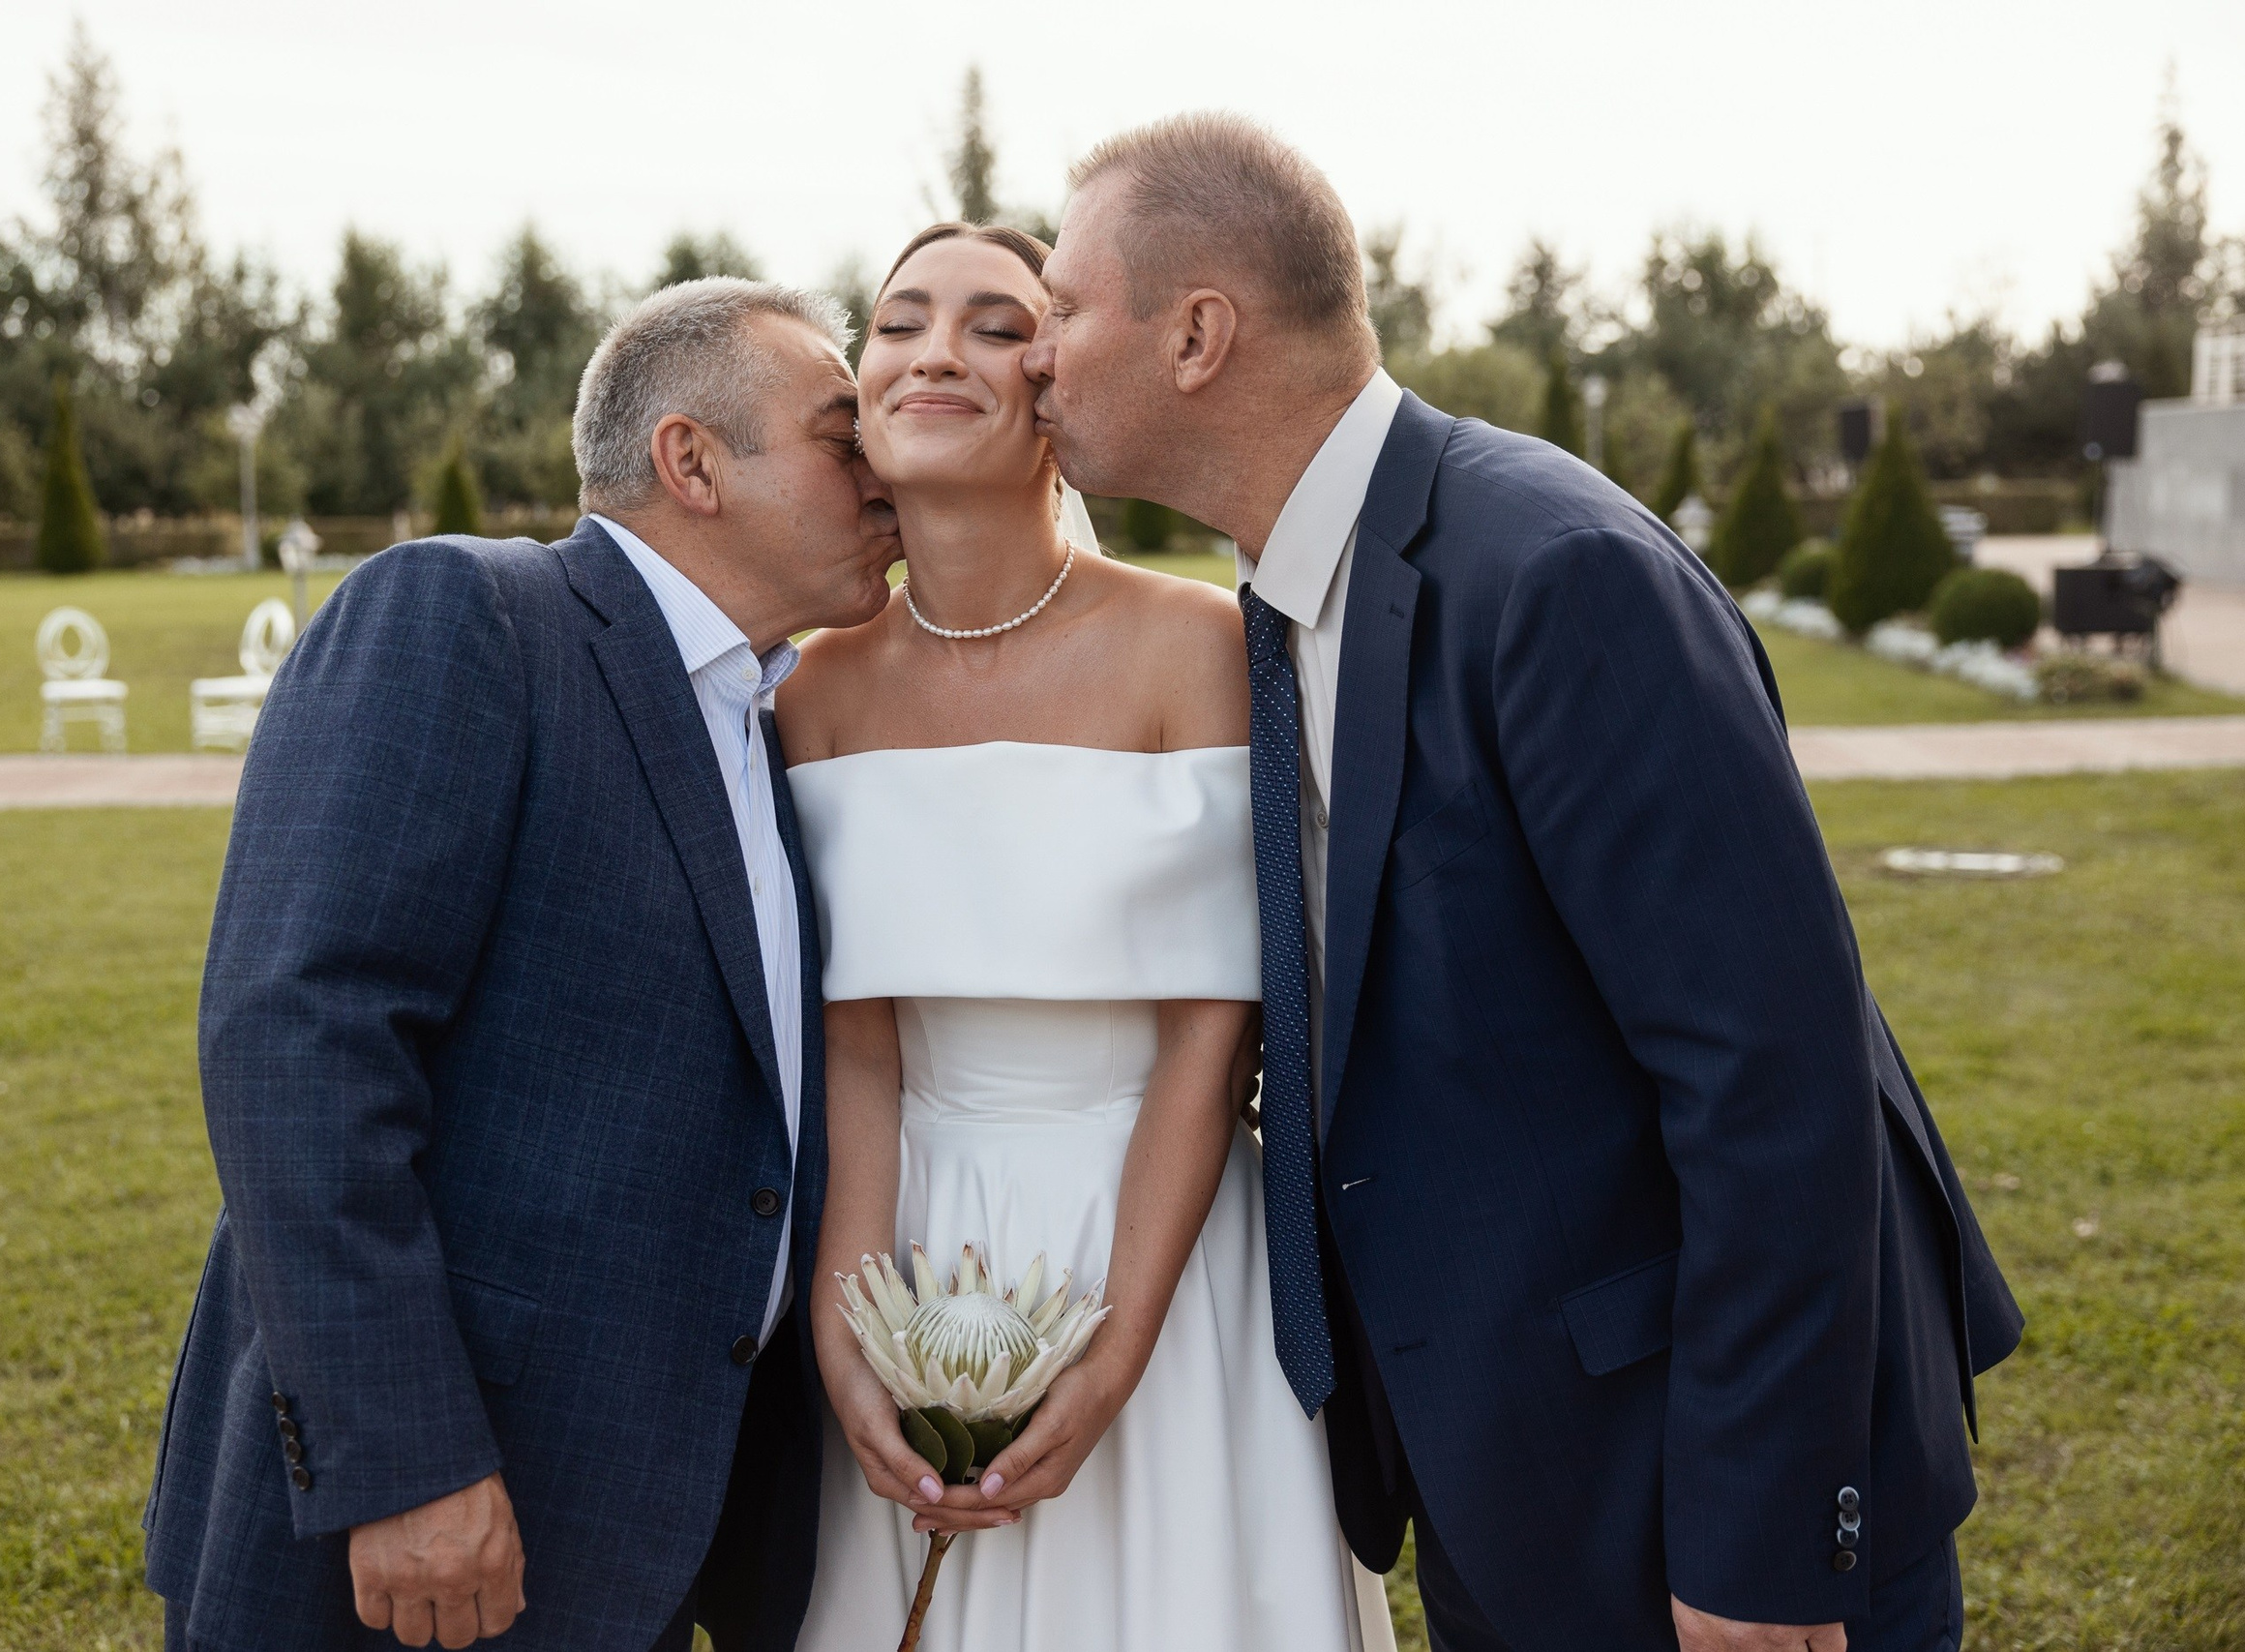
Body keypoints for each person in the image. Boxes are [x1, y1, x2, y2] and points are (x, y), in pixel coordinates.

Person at [1023, 114, 2023, 1652]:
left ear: (1198, 335)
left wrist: (1760, 1545)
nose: (1033, 354)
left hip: (1689, 1498)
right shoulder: (1289, 603)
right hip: (1514, 1479)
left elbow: (1774, 1078)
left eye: (1063, 307)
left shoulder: (1553, 574)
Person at [143, 278, 899, 1651]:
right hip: (437, 1509)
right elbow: (297, 1039)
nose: (884, 472)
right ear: (692, 462)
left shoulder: (771, 719)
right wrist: (406, 1460)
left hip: (637, 1517)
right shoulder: (468, 618)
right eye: (842, 436)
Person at [776, 222, 1393, 1652]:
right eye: (898, 322)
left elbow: (1210, 1036)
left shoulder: (1200, 647)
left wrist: (1115, 1352)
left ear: (1057, 387)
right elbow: (860, 1058)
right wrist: (850, 1330)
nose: (936, 351)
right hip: (920, 1247)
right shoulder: (814, 693)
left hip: (1162, 1256)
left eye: (996, 325)